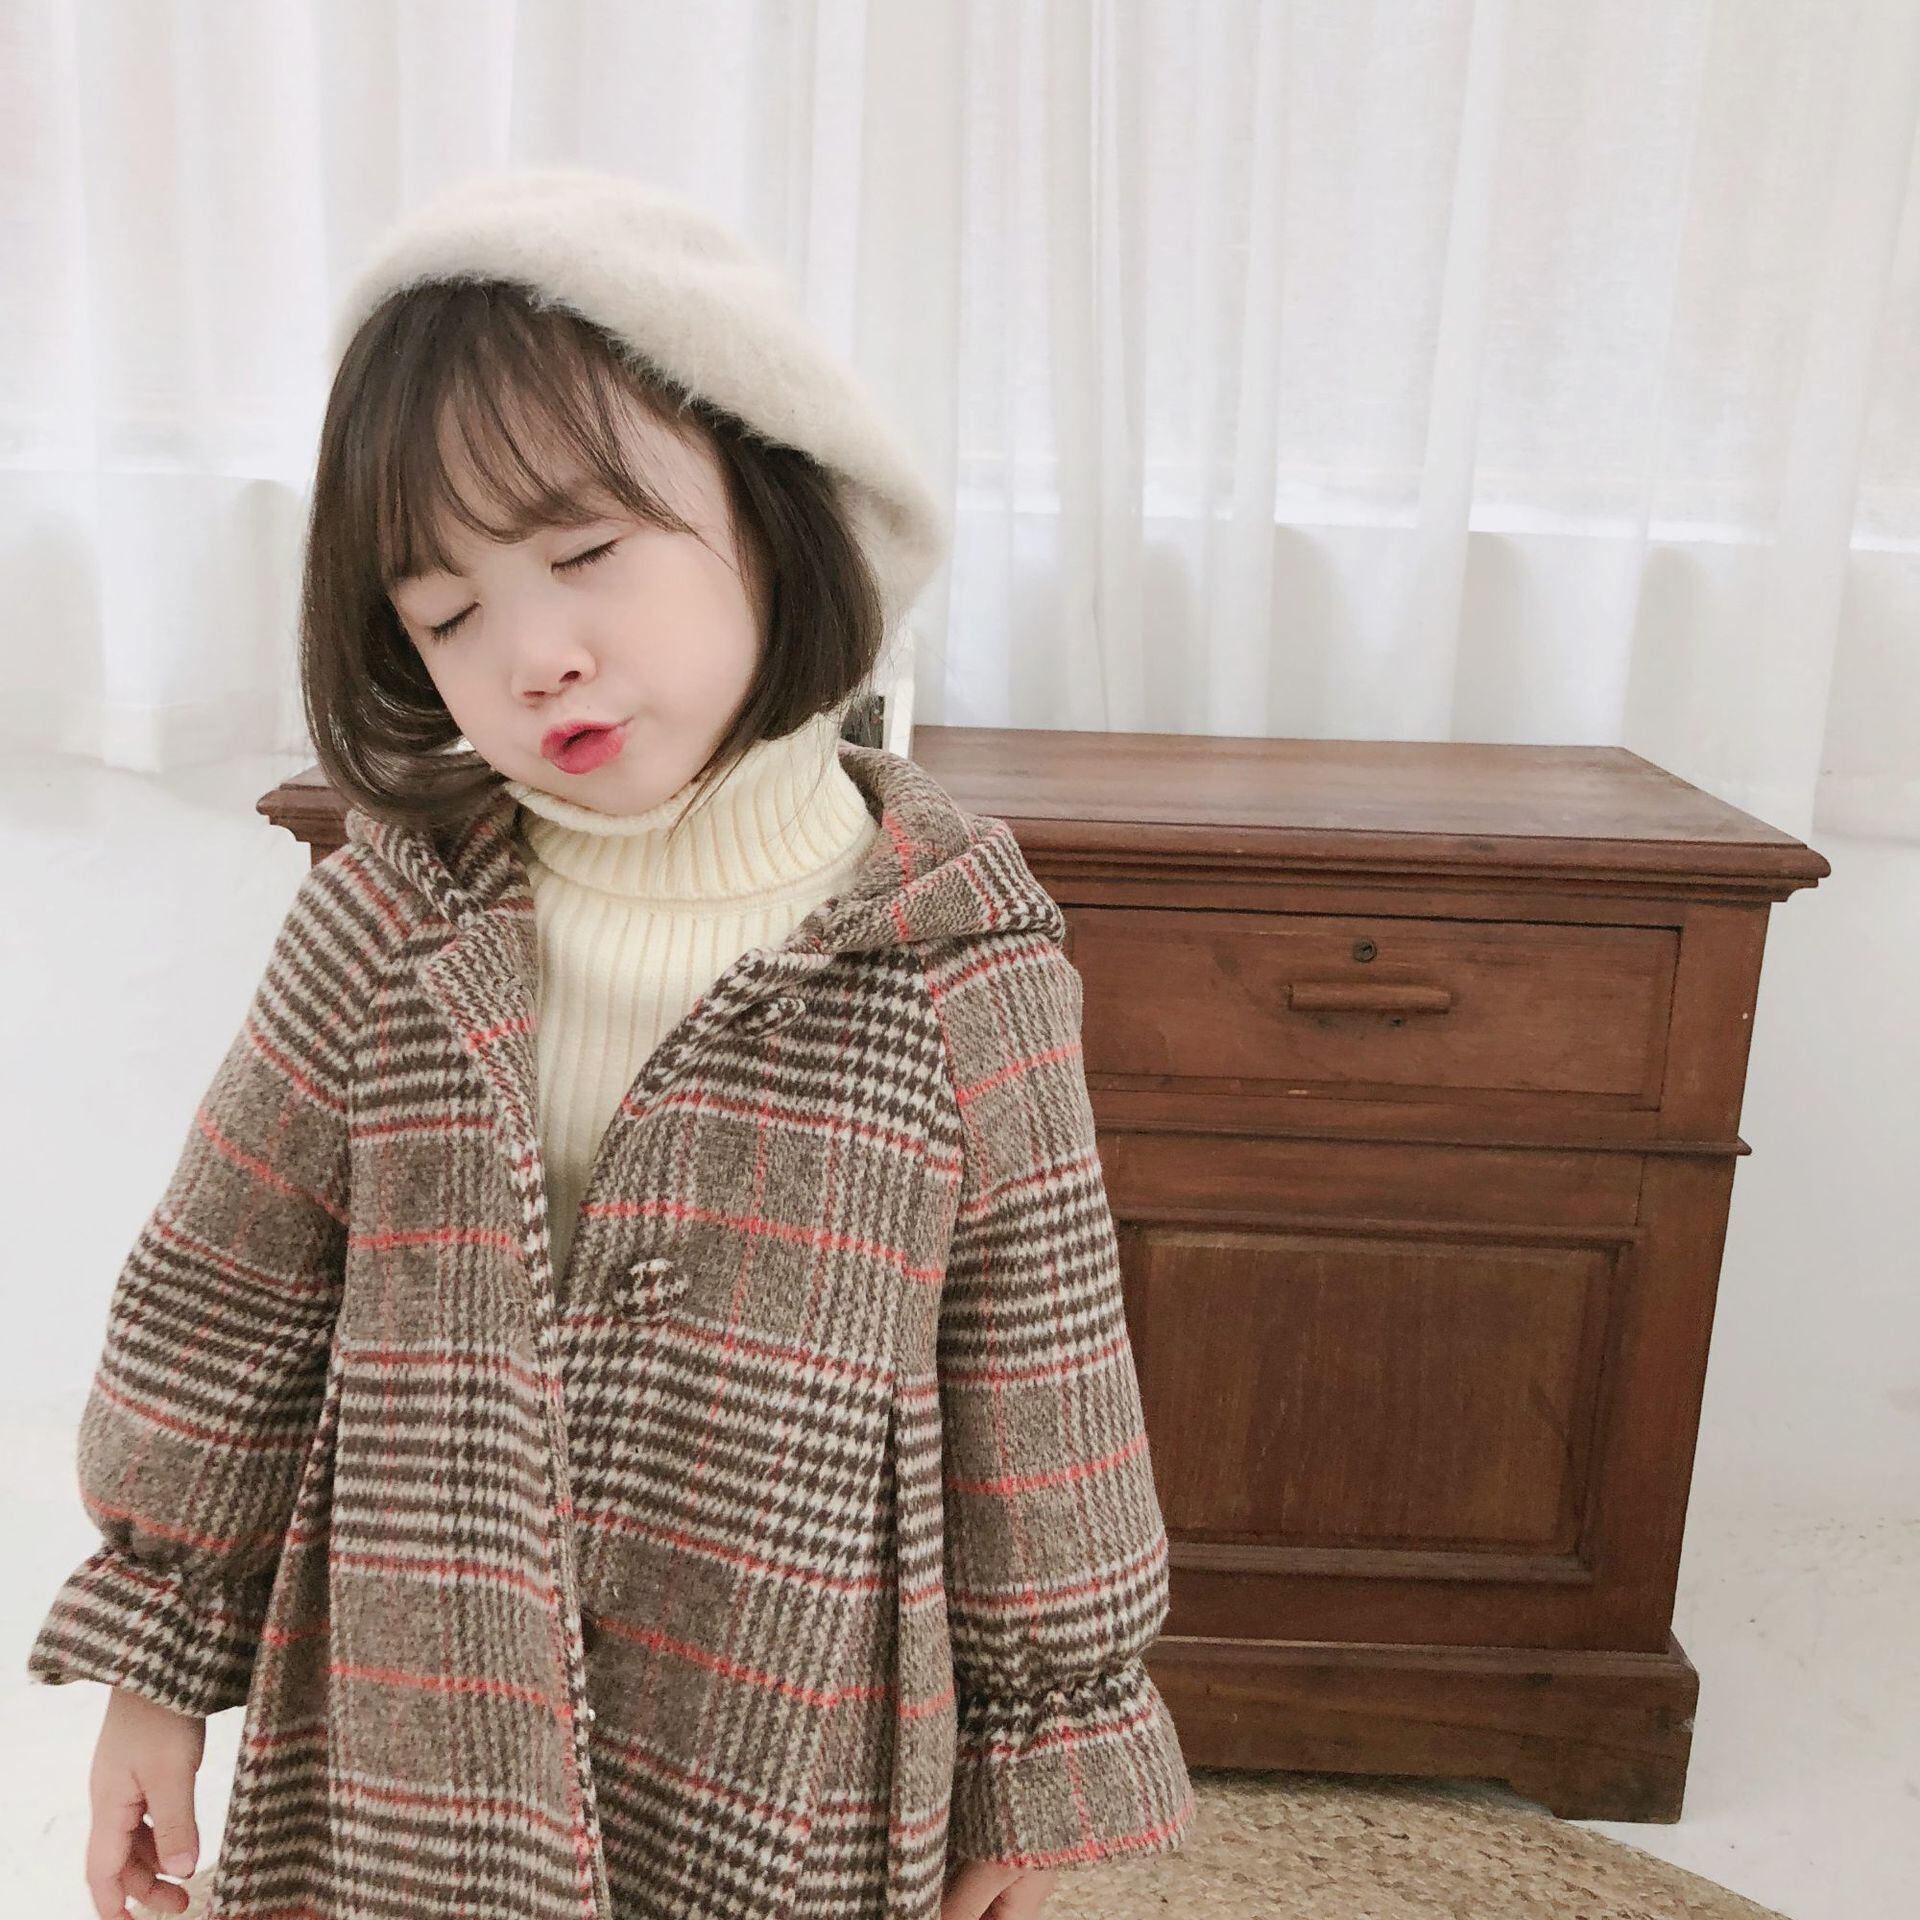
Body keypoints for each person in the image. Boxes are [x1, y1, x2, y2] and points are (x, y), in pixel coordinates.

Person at [28, 168, 1196, 1920]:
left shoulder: (958, 957)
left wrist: (1034, 1781)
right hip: (413, 1735)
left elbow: (1045, 1389)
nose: (536, 655)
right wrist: (156, 1667)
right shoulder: (391, 921)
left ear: (780, 503)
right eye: (446, 614)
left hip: (782, 1740)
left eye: (585, 555)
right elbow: (227, 1287)